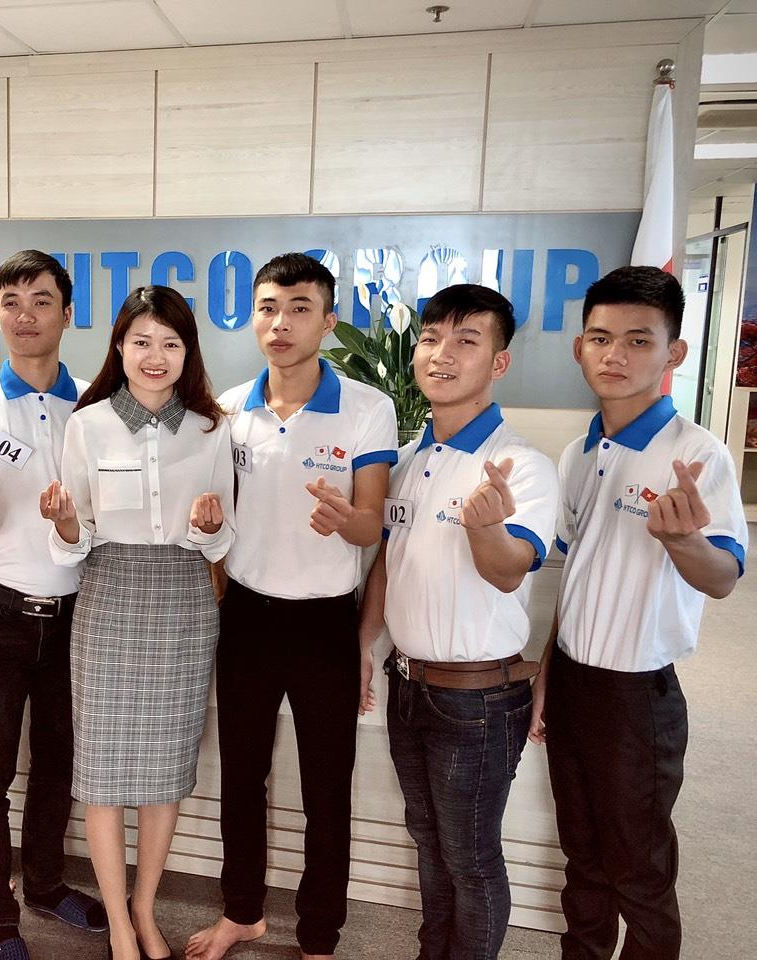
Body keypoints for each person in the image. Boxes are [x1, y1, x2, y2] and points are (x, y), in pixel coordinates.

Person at [532, 266, 747, 960]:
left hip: (637, 697)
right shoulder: (577, 451)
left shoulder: (697, 453)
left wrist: (684, 541)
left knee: (639, 869)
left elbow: (724, 579)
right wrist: (547, 672)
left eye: (638, 340)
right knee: (582, 856)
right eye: (600, 338)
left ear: (673, 352)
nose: (615, 355)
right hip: (573, 679)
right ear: (580, 348)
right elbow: (577, 572)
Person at [188, 253, 396, 960]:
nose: (281, 323)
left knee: (326, 790)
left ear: (328, 321)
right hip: (246, 618)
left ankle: (318, 936)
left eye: (300, 308)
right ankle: (241, 911)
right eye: (268, 308)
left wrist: (347, 519)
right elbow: (216, 525)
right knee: (242, 778)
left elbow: (372, 526)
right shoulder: (229, 411)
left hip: (324, 623)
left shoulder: (367, 408)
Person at [357, 283, 560, 960]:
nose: (441, 354)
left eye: (466, 340)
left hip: (476, 701)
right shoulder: (409, 460)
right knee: (428, 843)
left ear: (498, 362)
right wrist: (364, 643)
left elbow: (508, 571)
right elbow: (389, 562)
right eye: (430, 338)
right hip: (409, 687)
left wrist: (485, 528)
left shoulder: (520, 467)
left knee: (471, 859)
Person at [42, 285, 234, 960]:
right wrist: (65, 522)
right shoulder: (87, 424)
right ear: (119, 345)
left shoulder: (211, 428)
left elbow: (221, 541)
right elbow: (73, 544)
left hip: (183, 602)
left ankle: (144, 908)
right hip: (109, 597)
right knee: (102, 771)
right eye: (142, 341)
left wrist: (209, 527)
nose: (156, 356)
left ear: (188, 352)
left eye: (171, 343)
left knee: (164, 769)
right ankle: (119, 928)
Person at [0, 250, 107, 960]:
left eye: (41, 301)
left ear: (68, 313)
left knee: (60, 763)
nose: (24, 315)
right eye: (10, 302)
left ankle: (44, 884)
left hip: (77, 615)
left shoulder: (97, 404)